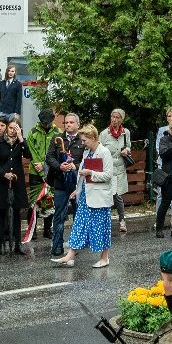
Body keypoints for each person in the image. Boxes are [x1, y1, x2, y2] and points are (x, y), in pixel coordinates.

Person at [54, 126, 115, 268]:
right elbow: (82, 174)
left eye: (84, 140)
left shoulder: (104, 152)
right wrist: (77, 190)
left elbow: (108, 175)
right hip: (86, 196)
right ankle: (69, 255)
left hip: (99, 198)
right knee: (79, 226)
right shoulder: (87, 151)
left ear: (93, 138)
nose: (82, 143)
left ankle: (104, 258)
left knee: (101, 227)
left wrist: (90, 173)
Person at [0, 118, 31, 254]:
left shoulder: (20, 143)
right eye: (11, 128)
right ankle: (2, 243)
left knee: (17, 212)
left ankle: (17, 244)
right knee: (2, 211)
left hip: (17, 181)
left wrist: (21, 138)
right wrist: (3, 174)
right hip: (3, 180)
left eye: (16, 128)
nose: (13, 130)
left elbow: (28, 155)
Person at [45, 112, 85, 257]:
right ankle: (57, 246)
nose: (68, 125)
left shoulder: (82, 140)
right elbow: (49, 157)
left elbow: (87, 159)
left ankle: (75, 246)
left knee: (78, 214)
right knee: (59, 215)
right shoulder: (57, 139)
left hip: (76, 184)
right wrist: (59, 166)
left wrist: (76, 166)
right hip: (60, 182)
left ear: (77, 124)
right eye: (66, 123)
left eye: (71, 122)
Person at [103, 109, 133, 236]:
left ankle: (122, 221)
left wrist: (127, 150)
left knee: (118, 196)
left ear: (122, 119)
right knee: (108, 196)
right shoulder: (104, 133)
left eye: (117, 117)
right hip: (108, 169)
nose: (114, 119)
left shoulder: (126, 132)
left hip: (120, 169)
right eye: (112, 116)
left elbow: (129, 146)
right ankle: (106, 222)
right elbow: (99, 150)